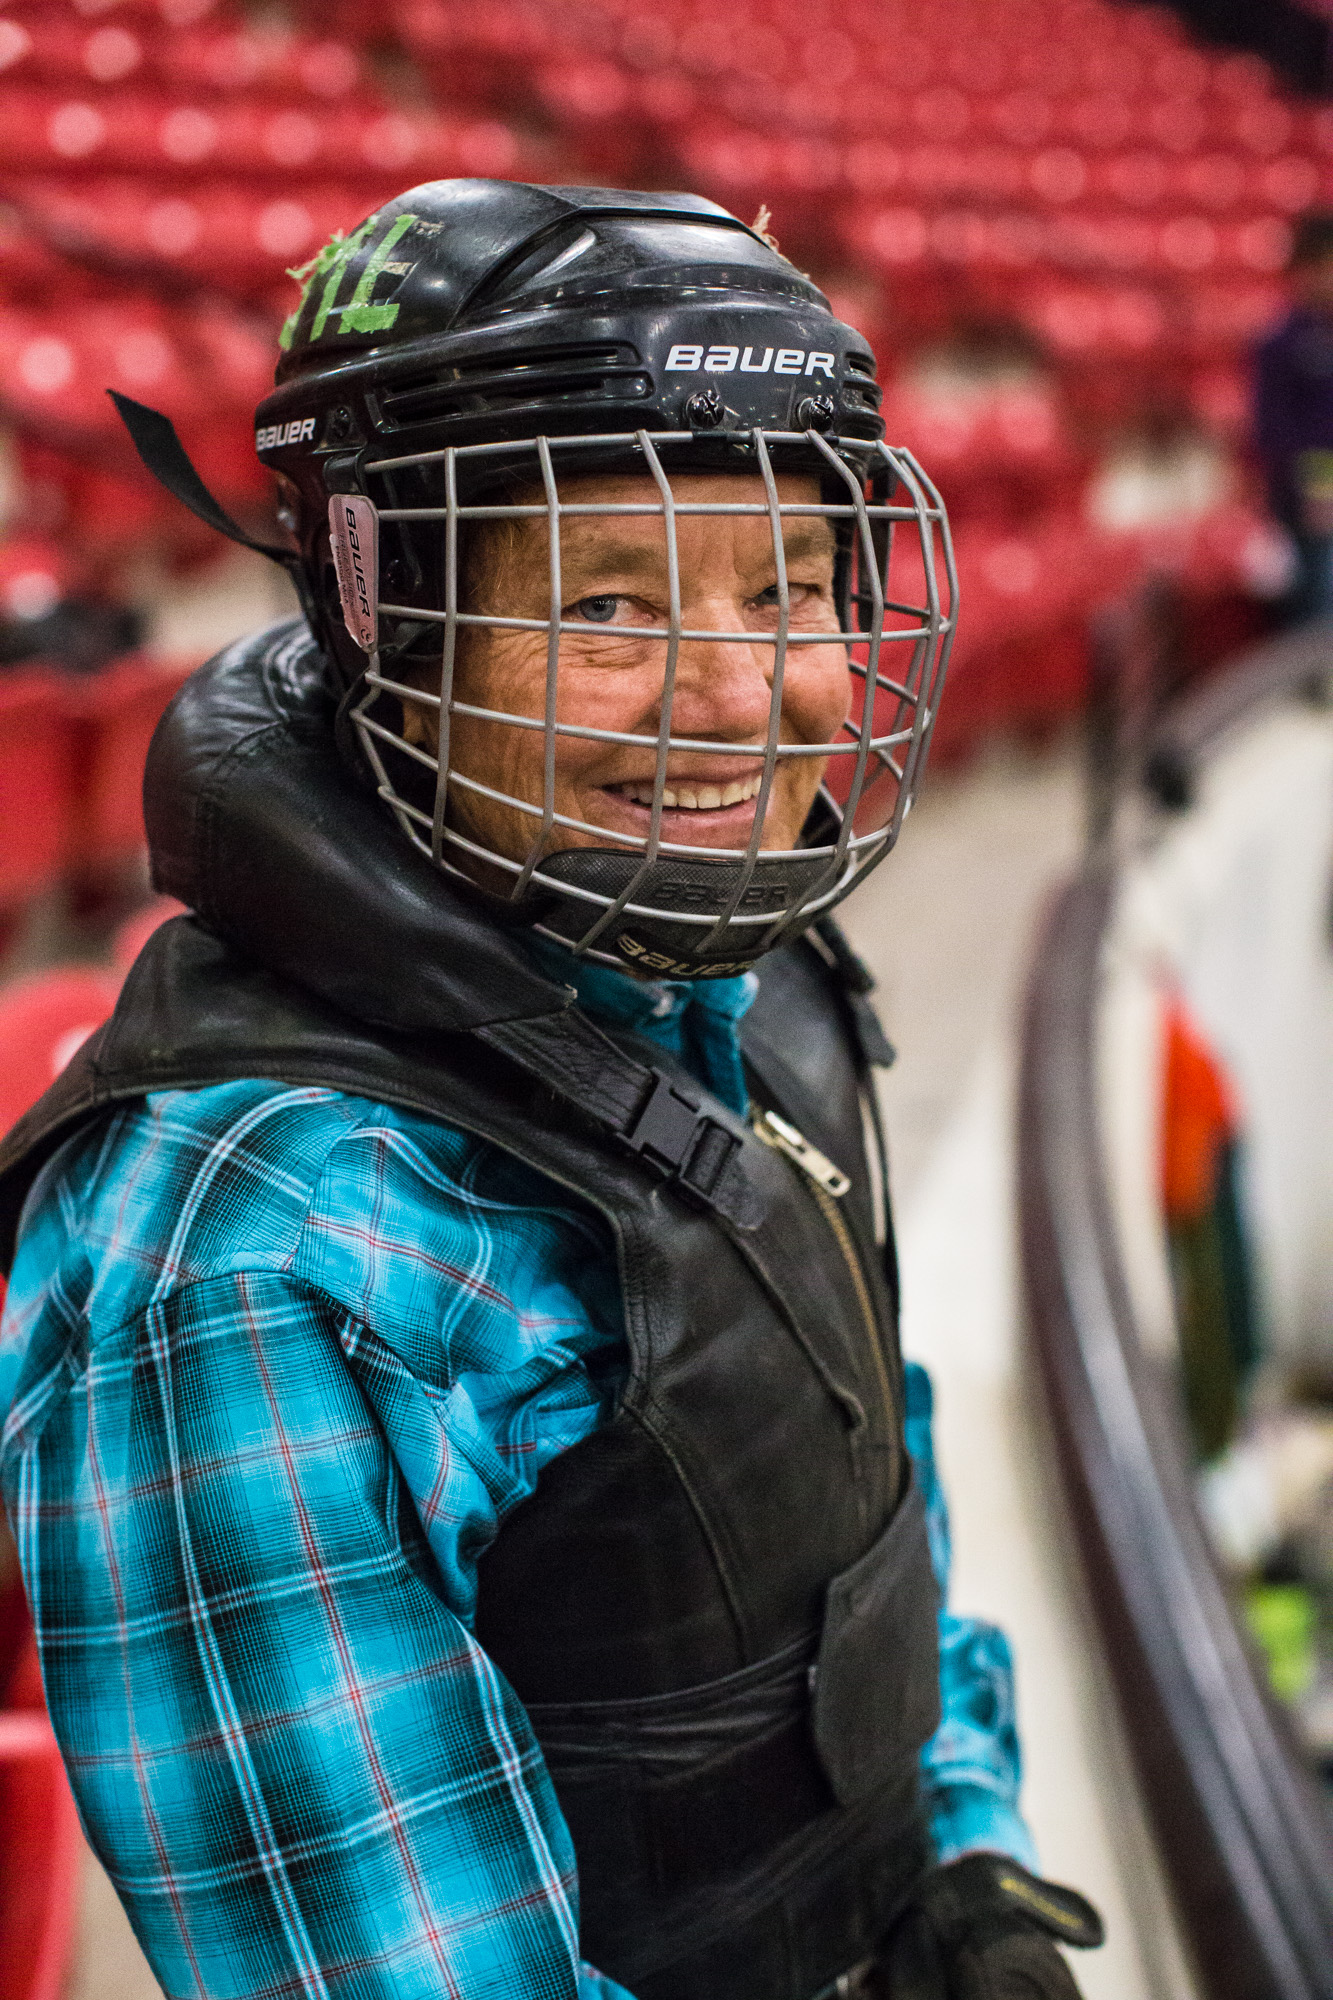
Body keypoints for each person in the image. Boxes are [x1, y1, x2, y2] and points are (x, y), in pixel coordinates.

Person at [0, 181, 1102, 2000]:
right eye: (608, 600)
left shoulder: (743, 979)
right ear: (387, 627)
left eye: (788, 589)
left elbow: (864, 1508)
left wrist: (968, 1871)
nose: (737, 698)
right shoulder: (247, 1250)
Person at [1254, 208, 1333, 625]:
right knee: (1318, 605)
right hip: (1307, 509)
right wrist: (1320, 489)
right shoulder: (1281, 342)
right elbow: (1276, 432)